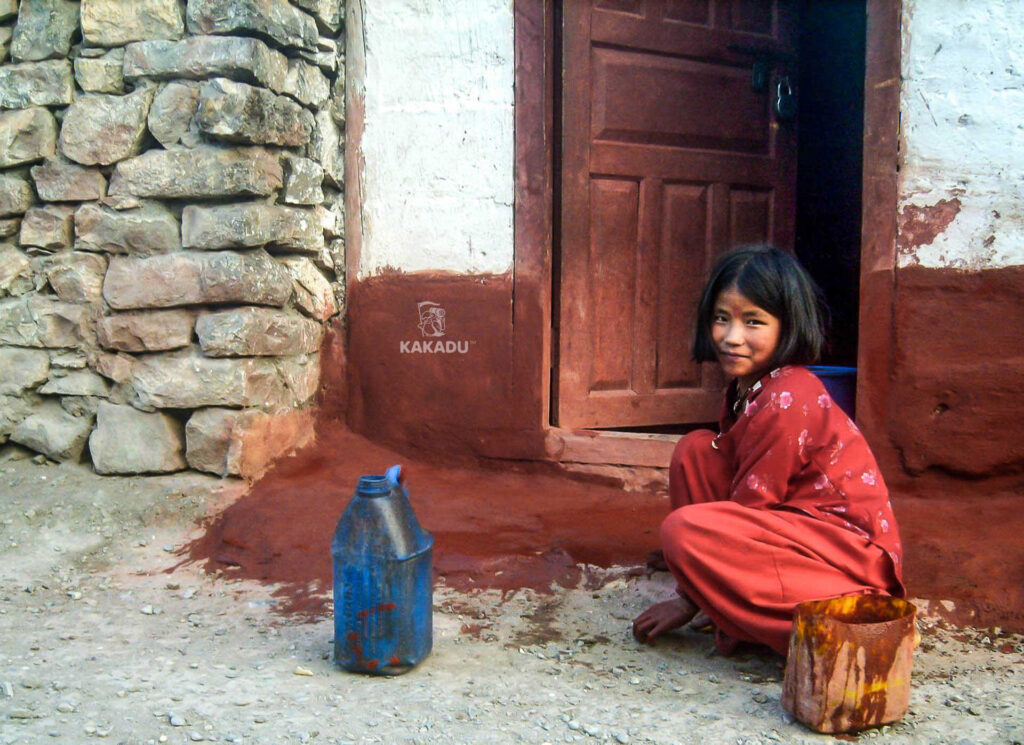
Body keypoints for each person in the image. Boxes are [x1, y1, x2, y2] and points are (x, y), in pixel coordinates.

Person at [632, 245, 904, 657]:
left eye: (753, 322)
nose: (731, 336)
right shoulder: (749, 388)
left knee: (683, 531)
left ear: (787, 325)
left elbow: (752, 509)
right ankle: (724, 601)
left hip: (843, 560)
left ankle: (842, 620)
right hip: (789, 534)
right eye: (722, 318)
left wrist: (690, 588)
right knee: (696, 450)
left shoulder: (789, 395)